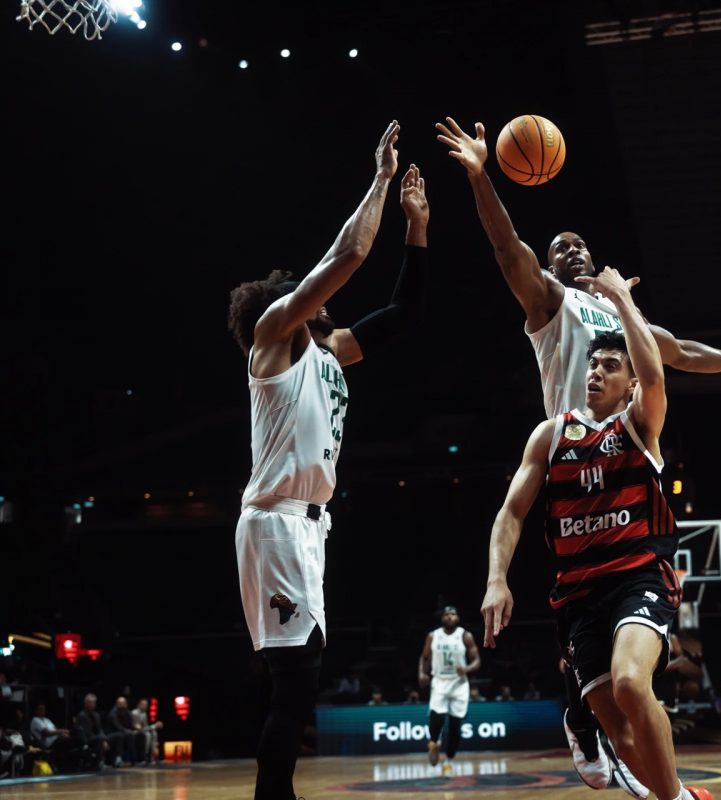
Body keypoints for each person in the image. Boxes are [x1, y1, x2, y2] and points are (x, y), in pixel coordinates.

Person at [437, 114, 721, 797]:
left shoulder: (617, 313)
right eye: (560, 248)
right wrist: (483, 176)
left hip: (627, 453)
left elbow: (682, 353)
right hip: (570, 459)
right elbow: (507, 248)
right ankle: (583, 714)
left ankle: (610, 727)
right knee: (582, 610)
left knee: (627, 656)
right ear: (551, 267)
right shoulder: (550, 303)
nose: (571, 251)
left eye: (579, 244)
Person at [227, 121, 428, 800]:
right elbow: (348, 254)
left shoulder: (329, 350)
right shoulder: (274, 338)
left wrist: (417, 228)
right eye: (309, 293)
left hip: (309, 525)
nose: (325, 299)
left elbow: (401, 314)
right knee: (298, 676)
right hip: (276, 519)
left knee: (295, 676)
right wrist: (380, 179)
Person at [481, 268, 713, 800]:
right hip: (577, 594)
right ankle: (677, 795)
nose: (596, 372)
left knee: (631, 683)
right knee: (617, 728)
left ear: (629, 383)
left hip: (637, 576)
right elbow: (511, 513)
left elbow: (655, 376)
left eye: (611, 366)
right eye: (593, 364)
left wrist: (622, 300)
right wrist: (497, 579)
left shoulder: (638, 424)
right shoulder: (550, 435)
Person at [418, 605, 480, 777]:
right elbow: (424, 657)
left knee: (455, 726)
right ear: (442, 618)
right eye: (447, 614)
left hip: (459, 684)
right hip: (439, 681)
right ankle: (434, 742)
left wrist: (467, 669)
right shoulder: (433, 636)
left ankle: (449, 761)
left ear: (458, 617)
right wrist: (422, 673)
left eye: (453, 614)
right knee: (437, 718)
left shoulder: (465, 636)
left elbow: (477, 660)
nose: (450, 616)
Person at [130, 698, 163, 764]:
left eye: (146, 705)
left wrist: (154, 726)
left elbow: (145, 727)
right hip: (134, 732)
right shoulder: (134, 713)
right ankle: (144, 756)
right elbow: (136, 727)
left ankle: (152, 757)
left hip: (142, 731)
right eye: (143, 704)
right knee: (147, 735)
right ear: (139, 705)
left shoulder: (144, 714)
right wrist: (154, 726)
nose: (145, 706)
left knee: (154, 733)